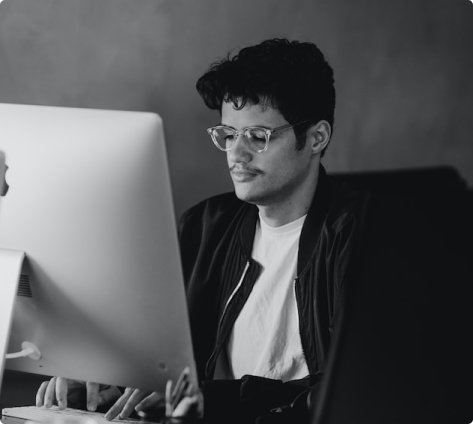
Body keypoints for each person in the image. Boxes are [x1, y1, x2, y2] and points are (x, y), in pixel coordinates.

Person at [36, 38, 364, 423]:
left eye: (258, 136)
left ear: (316, 138)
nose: (236, 154)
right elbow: (162, 361)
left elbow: (353, 389)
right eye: (229, 135)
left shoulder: (358, 237)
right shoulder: (205, 226)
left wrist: (210, 399)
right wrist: (115, 386)